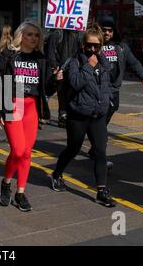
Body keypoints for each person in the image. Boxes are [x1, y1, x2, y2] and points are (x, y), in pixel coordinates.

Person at [0, 21, 62, 212]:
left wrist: (55, 80)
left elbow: (46, 88)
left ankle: (20, 192)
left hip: (32, 108)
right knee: (18, 150)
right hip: (12, 105)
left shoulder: (41, 58)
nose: (33, 38)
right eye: (30, 34)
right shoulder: (8, 56)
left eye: (37, 35)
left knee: (27, 153)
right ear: (21, 35)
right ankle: (6, 182)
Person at [50, 24, 116, 208]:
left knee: (101, 151)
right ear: (83, 45)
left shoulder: (104, 62)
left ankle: (102, 190)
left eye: (97, 46)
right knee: (73, 148)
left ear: (101, 46)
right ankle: (57, 174)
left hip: (98, 115)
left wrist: (107, 101)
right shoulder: (75, 62)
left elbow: (105, 85)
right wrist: (88, 66)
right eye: (89, 45)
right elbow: (76, 83)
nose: (93, 49)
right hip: (78, 114)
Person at [88, 16, 143, 170]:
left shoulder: (121, 47)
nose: (107, 33)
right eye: (104, 30)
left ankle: (95, 147)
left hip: (114, 91)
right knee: (100, 124)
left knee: (105, 118)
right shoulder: (94, 46)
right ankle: (99, 153)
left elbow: (134, 62)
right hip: (98, 90)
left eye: (110, 30)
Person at [46, 29, 82, 128]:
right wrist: (55, 67)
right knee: (53, 92)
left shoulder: (78, 34)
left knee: (66, 92)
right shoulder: (58, 33)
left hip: (72, 69)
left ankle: (63, 115)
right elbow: (50, 52)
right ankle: (47, 113)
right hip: (58, 69)